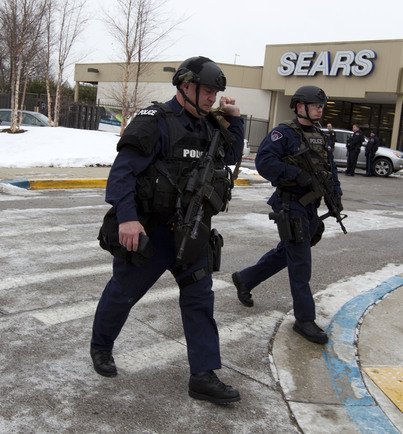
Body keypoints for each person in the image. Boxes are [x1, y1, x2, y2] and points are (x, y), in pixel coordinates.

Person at [90, 56, 244, 404]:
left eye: (216, 92)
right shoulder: (154, 122)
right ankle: (101, 346)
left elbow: (232, 153)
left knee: (200, 299)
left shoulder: (210, 126)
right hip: (152, 231)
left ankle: (203, 375)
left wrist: (234, 119)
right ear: (185, 85)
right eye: (208, 91)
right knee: (123, 292)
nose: (212, 97)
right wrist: (127, 219)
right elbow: (122, 173)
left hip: (192, 231)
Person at [231, 85, 342, 345]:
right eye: (316, 105)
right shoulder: (284, 133)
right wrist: (296, 174)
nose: (320, 110)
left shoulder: (319, 134)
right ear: (300, 107)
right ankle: (304, 319)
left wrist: (335, 196)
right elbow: (264, 162)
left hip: (310, 206)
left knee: (289, 252)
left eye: (322, 106)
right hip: (290, 205)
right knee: (300, 262)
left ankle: (245, 279)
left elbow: (330, 168)